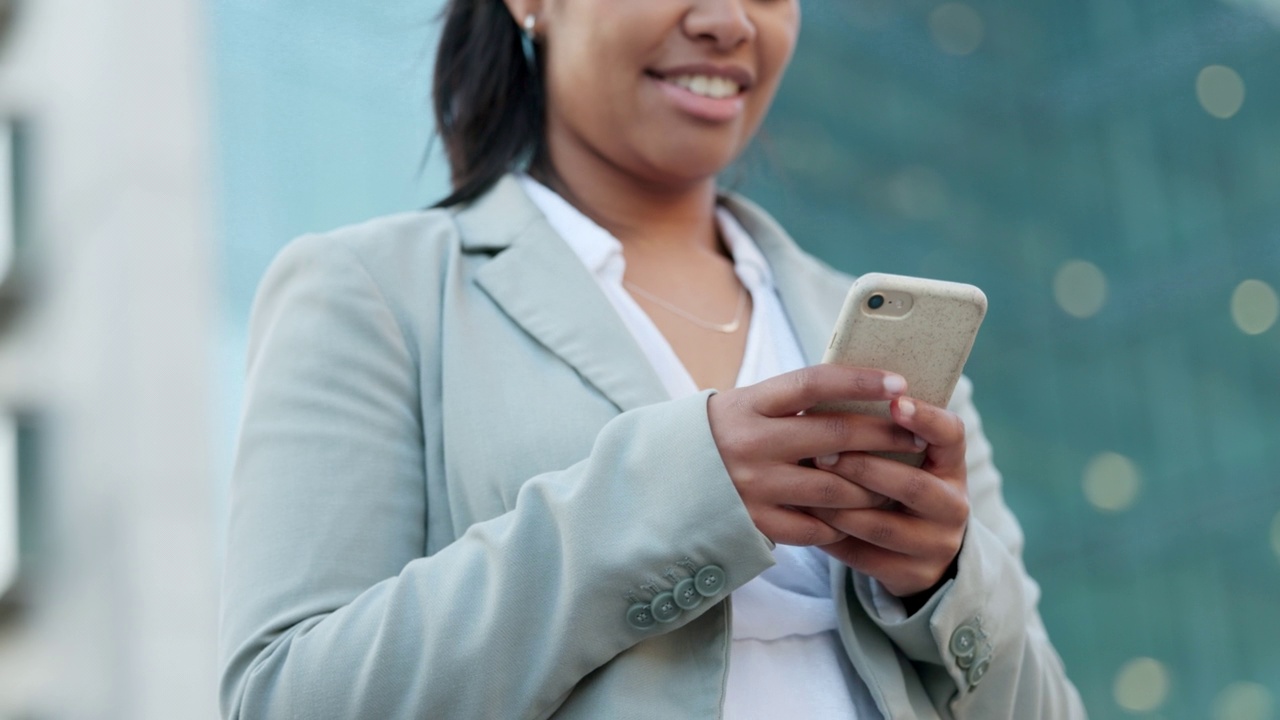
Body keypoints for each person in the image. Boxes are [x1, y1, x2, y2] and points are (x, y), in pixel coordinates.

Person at [218, 0, 1087, 718]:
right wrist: (677, 497)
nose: (727, 21)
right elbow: (287, 698)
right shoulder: (377, 292)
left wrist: (943, 583)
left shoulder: (884, 343)